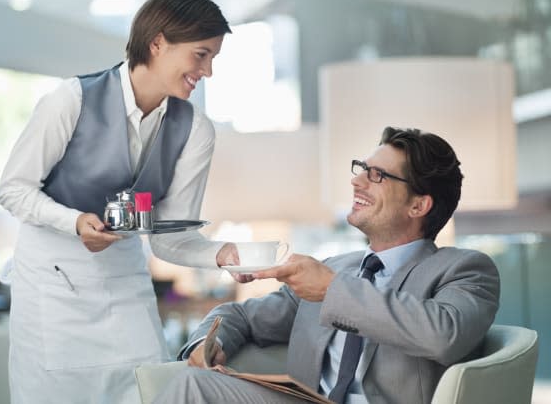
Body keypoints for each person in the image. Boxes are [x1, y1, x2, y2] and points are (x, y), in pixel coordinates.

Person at [0, 0, 241, 404]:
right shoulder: (71, 100)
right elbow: (13, 189)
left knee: (148, 391)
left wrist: (221, 255)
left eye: (213, 59)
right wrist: (73, 222)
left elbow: (168, 237)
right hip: (52, 286)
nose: (208, 72)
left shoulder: (196, 130)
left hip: (124, 281)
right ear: (158, 43)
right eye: (201, 55)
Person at [154, 126, 501, 404]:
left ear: (419, 205)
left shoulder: (466, 269)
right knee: (191, 383)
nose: (357, 180)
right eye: (361, 169)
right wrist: (210, 345)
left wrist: (332, 291)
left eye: (377, 175)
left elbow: (445, 335)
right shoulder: (337, 267)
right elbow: (239, 316)